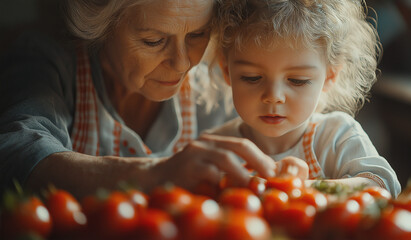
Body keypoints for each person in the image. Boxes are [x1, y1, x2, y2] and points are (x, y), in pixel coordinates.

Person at [0, 0, 277, 199]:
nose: (182, 63)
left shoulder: (218, 85)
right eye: (154, 40)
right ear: (104, 26)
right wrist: (153, 174)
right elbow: (14, 150)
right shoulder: (51, 62)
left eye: (197, 35)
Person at [207, 0, 401, 196]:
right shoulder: (216, 147)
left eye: (297, 80)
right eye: (252, 77)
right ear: (226, 70)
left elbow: (385, 185)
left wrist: (301, 187)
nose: (273, 97)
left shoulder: (336, 136)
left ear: (330, 76)